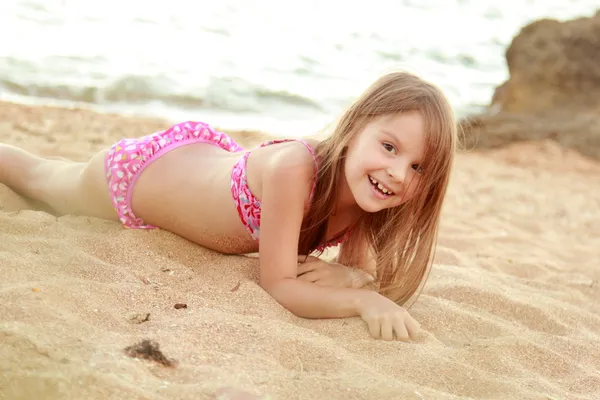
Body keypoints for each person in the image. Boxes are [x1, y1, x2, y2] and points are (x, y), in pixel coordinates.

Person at [0, 71, 456, 341]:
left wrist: (353, 276)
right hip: (142, 177)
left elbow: (361, 269)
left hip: (197, 167)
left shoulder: (366, 196)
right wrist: (360, 301)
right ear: (356, 127)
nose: (398, 172)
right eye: (390, 147)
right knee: (43, 178)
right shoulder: (295, 169)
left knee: (54, 175)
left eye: (418, 168)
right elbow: (280, 284)